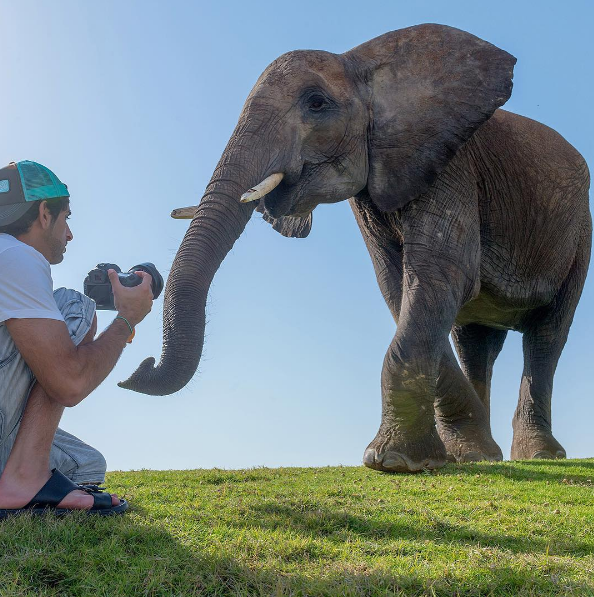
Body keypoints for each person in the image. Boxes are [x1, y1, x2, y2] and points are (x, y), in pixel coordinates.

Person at [0, 160, 153, 517]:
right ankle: (24, 477)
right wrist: (127, 320)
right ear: (42, 213)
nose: (69, 234)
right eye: (66, 218)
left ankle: (22, 474)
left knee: (86, 465)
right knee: (75, 304)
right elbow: (69, 383)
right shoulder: (17, 255)